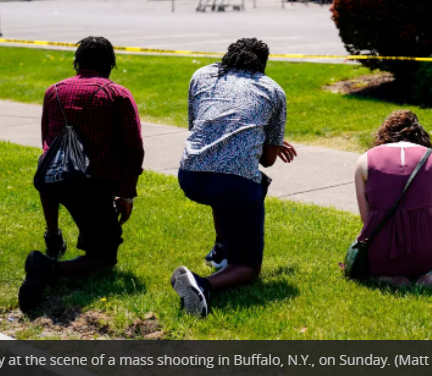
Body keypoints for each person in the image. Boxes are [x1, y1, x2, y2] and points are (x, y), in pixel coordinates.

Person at [171, 38, 297, 317]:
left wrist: (253, 136)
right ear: (263, 64)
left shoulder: (201, 74)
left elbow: (202, 126)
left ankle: (221, 250)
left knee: (225, 182)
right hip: (232, 184)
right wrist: (268, 141)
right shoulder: (272, 89)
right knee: (248, 268)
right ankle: (202, 284)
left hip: (190, 175)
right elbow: (268, 160)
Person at [19, 36, 145, 313]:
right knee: (104, 256)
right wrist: (125, 193)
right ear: (110, 64)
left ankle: (53, 237)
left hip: (52, 178)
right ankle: (49, 268)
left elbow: (47, 140)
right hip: (93, 184)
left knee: (49, 175)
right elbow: (133, 149)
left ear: (77, 62)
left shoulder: (54, 90)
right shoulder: (117, 95)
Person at [354, 110, 432, 288]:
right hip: (426, 251)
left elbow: (366, 219)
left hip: (381, 252)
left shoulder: (364, 160)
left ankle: (387, 277)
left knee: (368, 253)